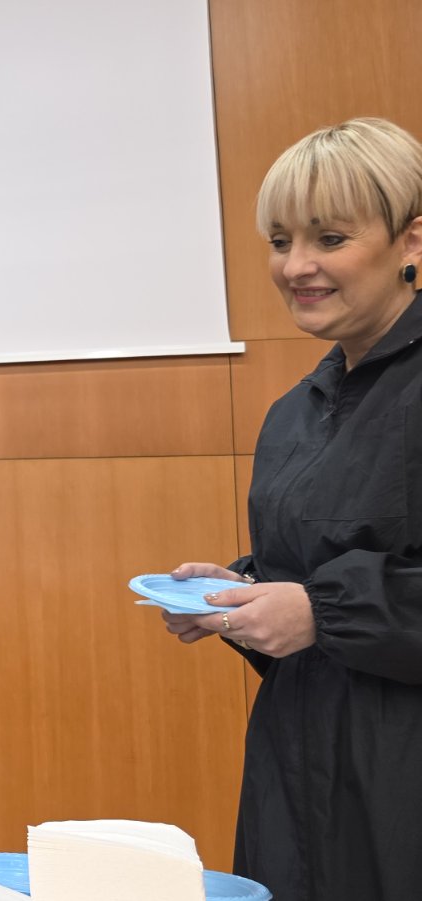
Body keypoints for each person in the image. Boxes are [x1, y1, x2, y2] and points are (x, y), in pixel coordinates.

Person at [161, 117, 422, 901]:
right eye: (280, 241)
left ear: (412, 241)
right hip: (294, 782)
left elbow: (332, 602)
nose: (296, 266)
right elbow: (312, 575)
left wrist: (320, 612)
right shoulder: (293, 413)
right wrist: (240, 597)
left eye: (329, 238)